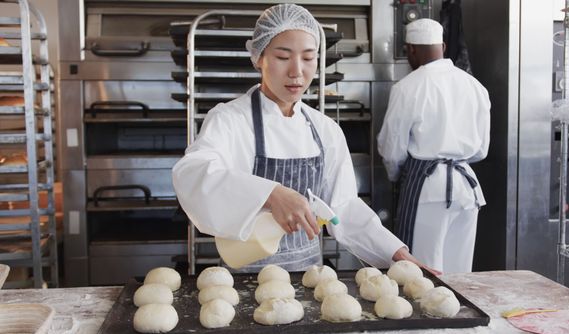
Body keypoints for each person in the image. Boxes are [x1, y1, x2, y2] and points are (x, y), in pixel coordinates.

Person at [172, 4, 438, 274]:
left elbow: (342, 206)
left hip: (310, 285)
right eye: (282, 56)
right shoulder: (230, 120)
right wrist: (271, 194)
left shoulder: (324, 129)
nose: (297, 71)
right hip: (244, 287)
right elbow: (192, 174)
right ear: (258, 57)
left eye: (308, 58)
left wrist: (395, 253)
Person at [377, 18, 490, 274]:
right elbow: (481, 149)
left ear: (411, 50)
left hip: (427, 187)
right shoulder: (475, 86)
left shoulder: (408, 86)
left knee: (422, 271)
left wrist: (396, 176)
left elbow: (391, 146)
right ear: (443, 45)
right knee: (460, 273)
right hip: (467, 189)